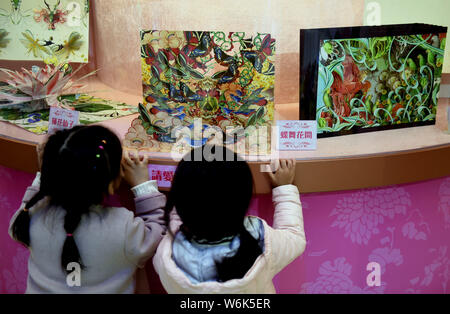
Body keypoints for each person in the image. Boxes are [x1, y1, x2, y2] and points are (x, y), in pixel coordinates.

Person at [9, 125, 166, 293]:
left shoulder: (32, 215)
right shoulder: (122, 226)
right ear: (112, 185)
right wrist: (142, 186)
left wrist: (45, 175)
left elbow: (20, 223)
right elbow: (155, 232)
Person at [153, 144, 306, 293]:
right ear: (243, 199)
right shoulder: (261, 239)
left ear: (179, 201)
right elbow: (294, 237)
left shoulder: (167, 251)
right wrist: (284, 188)